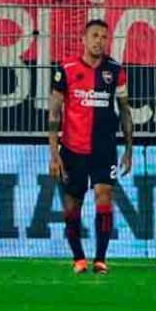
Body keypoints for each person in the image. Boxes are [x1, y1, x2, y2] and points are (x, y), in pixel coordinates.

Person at [48, 19, 133, 275]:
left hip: (104, 149)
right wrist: (53, 152)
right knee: (71, 205)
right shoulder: (66, 69)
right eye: (95, 35)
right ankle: (78, 258)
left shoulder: (115, 71)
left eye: (104, 37)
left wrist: (129, 149)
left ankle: (101, 259)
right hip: (72, 149)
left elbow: (125, 110)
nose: (99, 41)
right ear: (83, 39)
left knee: (104, 196)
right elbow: (54, 112)